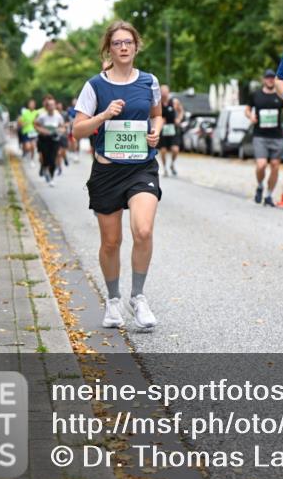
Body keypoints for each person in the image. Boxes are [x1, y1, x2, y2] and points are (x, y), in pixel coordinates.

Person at [72, 20, 161, 331]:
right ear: (108, 48)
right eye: (117, 43)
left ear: (136, 46)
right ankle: (112, 301)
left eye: (128, 42)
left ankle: (138, 297)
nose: (123, 47)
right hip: (107, 171)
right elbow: (77, 130)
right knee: (111, 242)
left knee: (144, 230)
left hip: (141, 168)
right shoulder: (94, 86)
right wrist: (104, 115)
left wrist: (156, 134)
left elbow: (157, 115)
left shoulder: (149, 81)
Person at [245, 69, 283, 206]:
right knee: (261, 165)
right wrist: (251, 116)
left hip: (277, 136)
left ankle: (268, 195)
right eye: (267, 78)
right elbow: (247, 109)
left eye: (272, 78)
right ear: (263, 79)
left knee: (275, 166)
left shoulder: (280, 96)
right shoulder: (256, 95)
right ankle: (260, 185)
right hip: (260, 135)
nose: (270, 80)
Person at [35, 95, 65, 186]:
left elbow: (62, 127)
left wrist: (60, 130)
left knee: (53, 158)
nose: (51, 107)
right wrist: (43, 131)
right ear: (47, 107)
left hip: (55, 140)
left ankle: (51, 178)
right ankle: (44, 168)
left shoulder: (58, 116)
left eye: (53, 105)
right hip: (44, 140)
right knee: (46, 158)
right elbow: (36, 125)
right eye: (49, 105)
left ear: (55, 106)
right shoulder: (42, 116)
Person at [158, 85, 184, 176]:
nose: (164, 94)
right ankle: (165, 168)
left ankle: (172, 164)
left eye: (165, 92)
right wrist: (160, 122)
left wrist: (179, 119)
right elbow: (155, 115)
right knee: (163, 150)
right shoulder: (158, 103)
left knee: (175, 149)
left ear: (168, 92)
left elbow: (181, 111)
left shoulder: (174, 102)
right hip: (163, 128)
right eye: (162, 92)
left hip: (173, 127)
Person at [18, 99, 40, 164]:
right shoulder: (25, 112)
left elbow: (40, 122)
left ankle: (32, 160)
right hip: (26, 132)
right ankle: (25, 152)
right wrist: (25, 123)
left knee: (33, 146)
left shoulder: (37, 113)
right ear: (28, 105)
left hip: (34, 132)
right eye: (30, 104)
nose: (32, 105)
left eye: (33, 104)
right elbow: (20, 123)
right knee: (28, 147)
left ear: (35, 105)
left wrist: (36, 123)